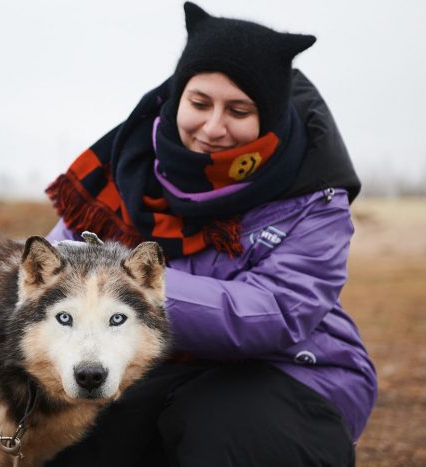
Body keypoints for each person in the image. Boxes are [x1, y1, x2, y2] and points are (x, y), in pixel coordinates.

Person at [44, 3, 376, 466]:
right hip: (155, 366)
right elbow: (52, 275)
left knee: (222, 430)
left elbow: (277, 312)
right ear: (177, 96)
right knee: (71, 434)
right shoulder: (124, 168)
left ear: (270, 116)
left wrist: (129, 288)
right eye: (199, 103)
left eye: (238, 110)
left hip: (292, 372)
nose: (213, 127)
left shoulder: (312, 196)